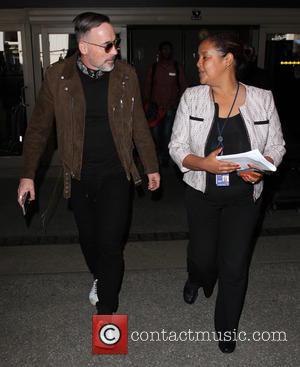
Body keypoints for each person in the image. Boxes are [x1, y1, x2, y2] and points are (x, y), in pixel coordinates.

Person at [17, 12, 160, 315]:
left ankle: (106, 311)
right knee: (89, 241)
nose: (115, 51)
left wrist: (151, 166)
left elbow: (138, 125)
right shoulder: (58, 77)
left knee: (110, 244)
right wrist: (27, 175)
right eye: (107, 46)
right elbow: (39, 129)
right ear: (84, 47)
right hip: (78, 176)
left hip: (116, 173)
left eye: (115, 44)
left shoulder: (125, 75)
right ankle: (101, 277)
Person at [169, 33, 285, 353]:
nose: (198, 63)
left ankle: (226, 328)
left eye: (205, 56)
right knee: (204, 259)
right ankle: (196, 277)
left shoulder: (262, 98)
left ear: (227, 61)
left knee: (234, 266)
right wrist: (203, 164)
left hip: (244, 196)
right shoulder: (192, 97)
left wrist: (263, 167)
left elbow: (276, 145)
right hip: (201, 192)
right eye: (198, 56)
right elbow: (177, 147)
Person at [144, 41, 187, 166]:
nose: (166, 52)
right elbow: (147, 86)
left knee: (168, 134)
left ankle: (165, 157)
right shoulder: (154, 67)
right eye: (164, 49)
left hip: (171, 108)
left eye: (168, 49)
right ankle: (159, 154)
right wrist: (146, 103)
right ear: (160, 51)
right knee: (156, 135)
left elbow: (183, 85)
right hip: (156, 109)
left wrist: (181, 103)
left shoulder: (176, 67)